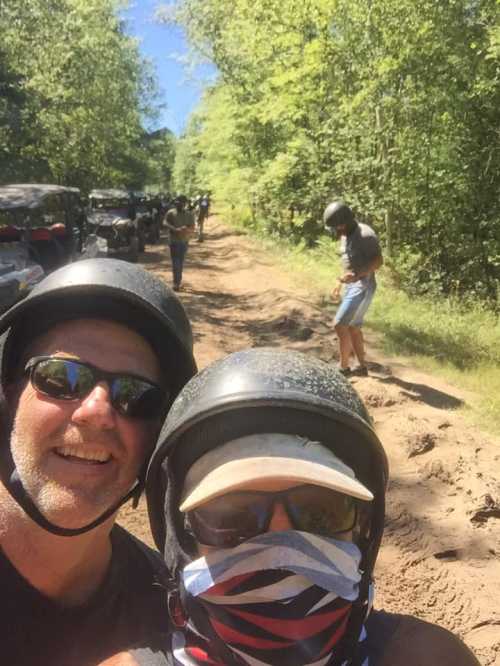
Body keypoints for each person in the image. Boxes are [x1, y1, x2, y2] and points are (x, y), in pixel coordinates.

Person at [107, 348, 479, 665]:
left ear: (362, 529)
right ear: (182, 540)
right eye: (232, 518)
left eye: (320, 514)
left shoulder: (429, 657)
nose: (282, 550)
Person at [0, 258, 197, 666]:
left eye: (136, 395)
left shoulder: (167, 621)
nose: (97, 412)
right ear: (9, 398)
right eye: (61, 377)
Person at [323, 202, 383, 377]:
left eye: (336, 227)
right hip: (352, 286)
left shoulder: (365, 235)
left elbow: (378, 261)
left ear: (344, 223)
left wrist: (357, 276)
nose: (336, 231)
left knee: (340, 324)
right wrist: (340, 282)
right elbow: (349, 261)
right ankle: (362, 367)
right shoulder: (345, 235)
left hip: (363, 287)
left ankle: (343, 368)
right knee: (353, 327)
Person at [164, 195, 195, 291]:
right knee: (176, 262)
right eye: (177, 202)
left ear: (185, 204)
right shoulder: (171, 213)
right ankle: (176, 283)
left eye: (181, 203)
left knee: (180, 262)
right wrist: (175, 229)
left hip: (184, 241)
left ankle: (177, 282)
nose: (179, 204)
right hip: (173, 241)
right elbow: (165, 222)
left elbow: (192, 227)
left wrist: (185, 229)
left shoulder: (189, 214)